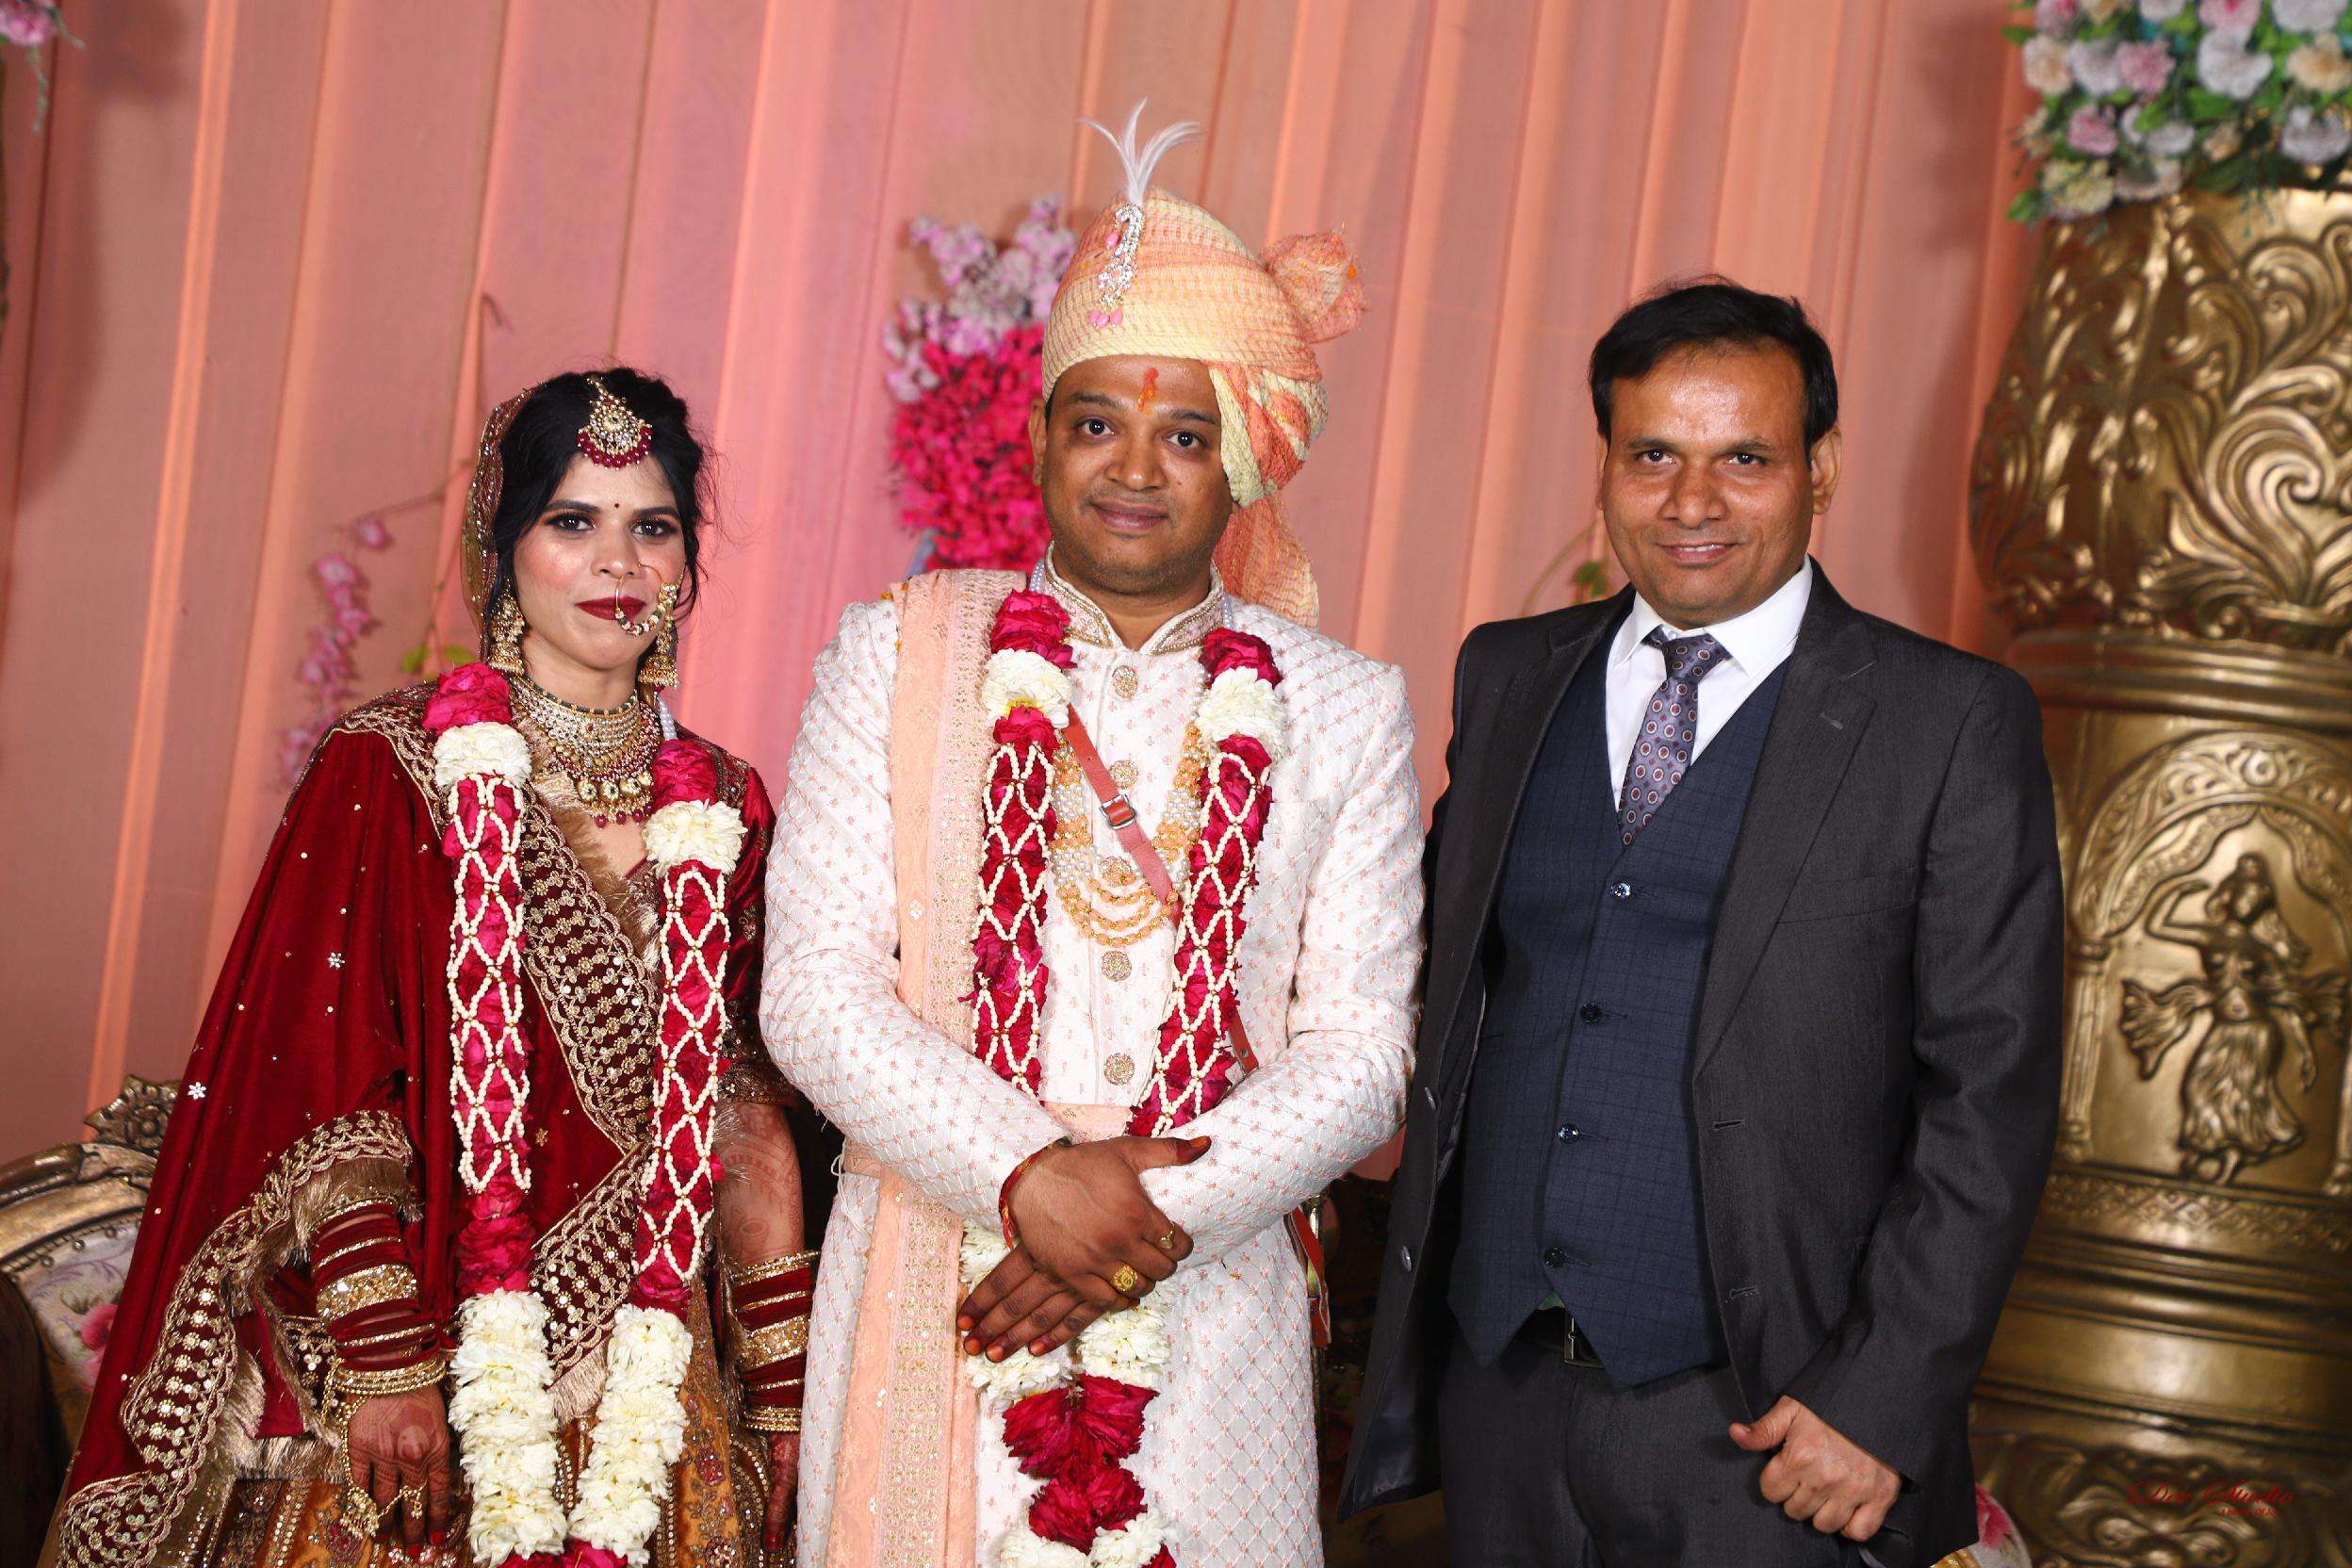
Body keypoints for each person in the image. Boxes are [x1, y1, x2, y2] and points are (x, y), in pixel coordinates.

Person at [764, 106, 1424, 1568]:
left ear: (1244, 462)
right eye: (1097, 422)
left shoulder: (1343, 702)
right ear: (1042, 439)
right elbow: (811, 992)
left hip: (1208, 1293)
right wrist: (1023, 1174)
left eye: (1185, 434)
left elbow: (1362, 1047)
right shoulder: (895, 654)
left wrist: (1137, 1218)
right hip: (940, 1268)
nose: (1135, 468)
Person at [1340, 279, 2064, 1567]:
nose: (1692, 502)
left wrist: (1880, 1397)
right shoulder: (1509, 673)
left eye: (1745, 459)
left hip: (1774, 1421)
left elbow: (1990, 1095)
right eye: (1653, 455)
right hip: (1500, 1390)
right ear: (1606, 464)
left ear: (1820, 467)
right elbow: (1414, 971)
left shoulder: (1948, 719)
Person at [44, 369, 818, 1568]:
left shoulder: (726, 801)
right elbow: (322, 1085)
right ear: (501, 552)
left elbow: (745, 1104)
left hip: (657, 1391)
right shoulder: (391, 767)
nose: (618, 561)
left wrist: (780, 1392)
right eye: (573, 520)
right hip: (427, 1379)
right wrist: (385, 1358)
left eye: (653, 525)